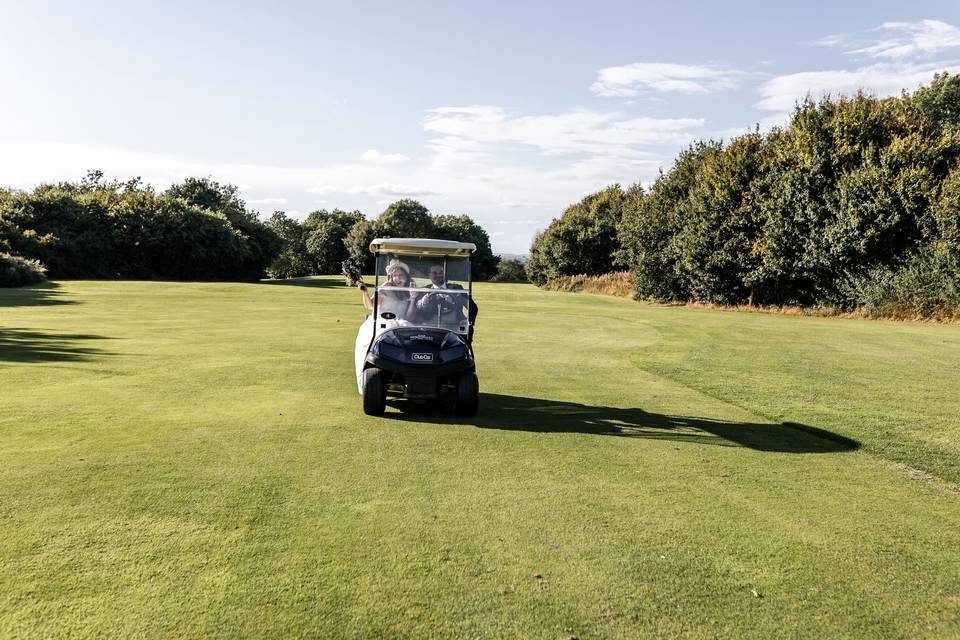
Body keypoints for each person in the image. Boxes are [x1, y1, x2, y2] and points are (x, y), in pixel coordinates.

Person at [414, 262, 479, 332]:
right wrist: (423, 302)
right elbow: (417, 305)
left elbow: (472, 307)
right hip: (429, 328)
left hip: (454, 328)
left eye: (441, 272)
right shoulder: (424, 290)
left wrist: (468, 321)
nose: (438, 275)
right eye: (435, 273)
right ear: (429, 275)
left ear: (444, 274)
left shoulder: (456, 289)